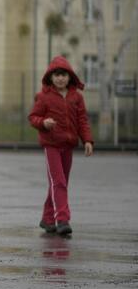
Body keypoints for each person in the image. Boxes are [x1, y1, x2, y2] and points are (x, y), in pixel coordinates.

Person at [28, 56, 94, 236]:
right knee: (59, 182)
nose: (60, 78)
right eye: (56, 75)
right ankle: (62, 219)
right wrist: (43, 122)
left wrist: (87, 140)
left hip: (68, 145)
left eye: (63, 75)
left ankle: (47, 219)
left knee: (58, 183)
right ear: (50, 77)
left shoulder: (77, 98)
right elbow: (33, 117)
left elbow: (82, 120)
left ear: (69, 76)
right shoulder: (43, 97)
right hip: (51, 145)